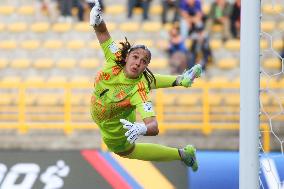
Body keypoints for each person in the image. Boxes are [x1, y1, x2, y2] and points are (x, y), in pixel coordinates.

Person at [89, 0, 202, 171]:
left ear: (146, 66)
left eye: (144, 62)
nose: (137, 63)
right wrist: (97, 19)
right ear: (127, 56)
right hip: (104, 116)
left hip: (118, 129)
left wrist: (141, 128)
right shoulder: (115, 57)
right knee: (145, 80)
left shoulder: (139, 90)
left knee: (125, 151)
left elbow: (154, 126)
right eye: (135, 57)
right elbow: (102, 30)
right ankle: (181, 80)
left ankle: (182, 155)